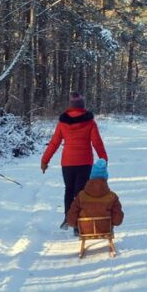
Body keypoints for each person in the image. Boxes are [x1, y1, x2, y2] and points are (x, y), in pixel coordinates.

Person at [41, 92, 108, 236]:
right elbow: (97, 142)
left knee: (69, 190)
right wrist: (103, 159)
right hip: (84, 162)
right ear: (83, 106)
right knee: (80, 192)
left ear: (70, 106)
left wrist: (45, 161)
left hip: (68, 163)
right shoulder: (89, 122)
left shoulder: (63, 122)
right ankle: (79, 224)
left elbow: (54, 143)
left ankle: (68, 217)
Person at [66, 159, 124, 235]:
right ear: (106, 178)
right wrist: (111, 222)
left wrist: (78, 224)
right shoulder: (112, 197)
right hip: (105, 229)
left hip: (85, 230)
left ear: (91, 177)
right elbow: (118, 220)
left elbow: (71, 219)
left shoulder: (81, 196)